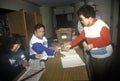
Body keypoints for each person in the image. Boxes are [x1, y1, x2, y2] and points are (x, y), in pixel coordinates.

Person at [64, 5, 113, 81]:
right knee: (95, 74)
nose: (81, 21)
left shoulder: (101, 25)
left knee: (102, 76)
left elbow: (108, 40)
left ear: (90, 18)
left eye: (82, 19)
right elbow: (80, 37)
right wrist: (70, 45)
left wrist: (93, 45)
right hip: (94, 55)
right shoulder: (86, 27)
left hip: (104, 56)